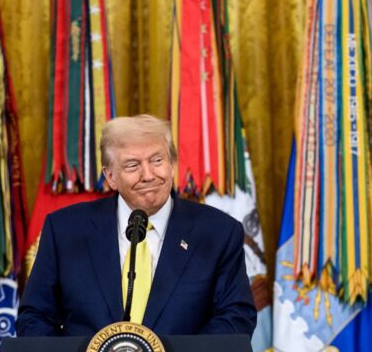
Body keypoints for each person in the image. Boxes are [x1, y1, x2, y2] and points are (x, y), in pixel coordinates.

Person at [16, 115, 256, 337]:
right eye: (132, 165)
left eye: (157, 160)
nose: (148, 175)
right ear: (110, 176)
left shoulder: (219, 233)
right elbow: (35, 317)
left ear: (172, 164)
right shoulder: (65, 230)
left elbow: (236, 317)